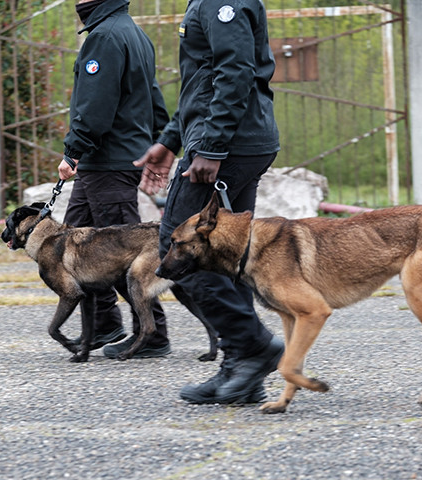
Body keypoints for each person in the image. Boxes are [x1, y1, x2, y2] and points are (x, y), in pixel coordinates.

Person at [134, 0, 284, 403]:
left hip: (230, 144)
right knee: (225, 255)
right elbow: (202, 81)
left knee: (182, 248)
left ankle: (251, 349)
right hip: (235, 141)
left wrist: (212, 146)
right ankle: (242, 365)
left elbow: (234, 71)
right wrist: (170, 141)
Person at [58, 0, 172, 359]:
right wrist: (157, 140)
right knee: (75, 250)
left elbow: (95, 105)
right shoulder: (133, 33)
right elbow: (153, 96)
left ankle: (152, 334)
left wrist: (73, 149)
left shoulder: (105, 36)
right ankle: (105, 326)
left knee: (123, 251)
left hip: (107, 160)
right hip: (109, 159)